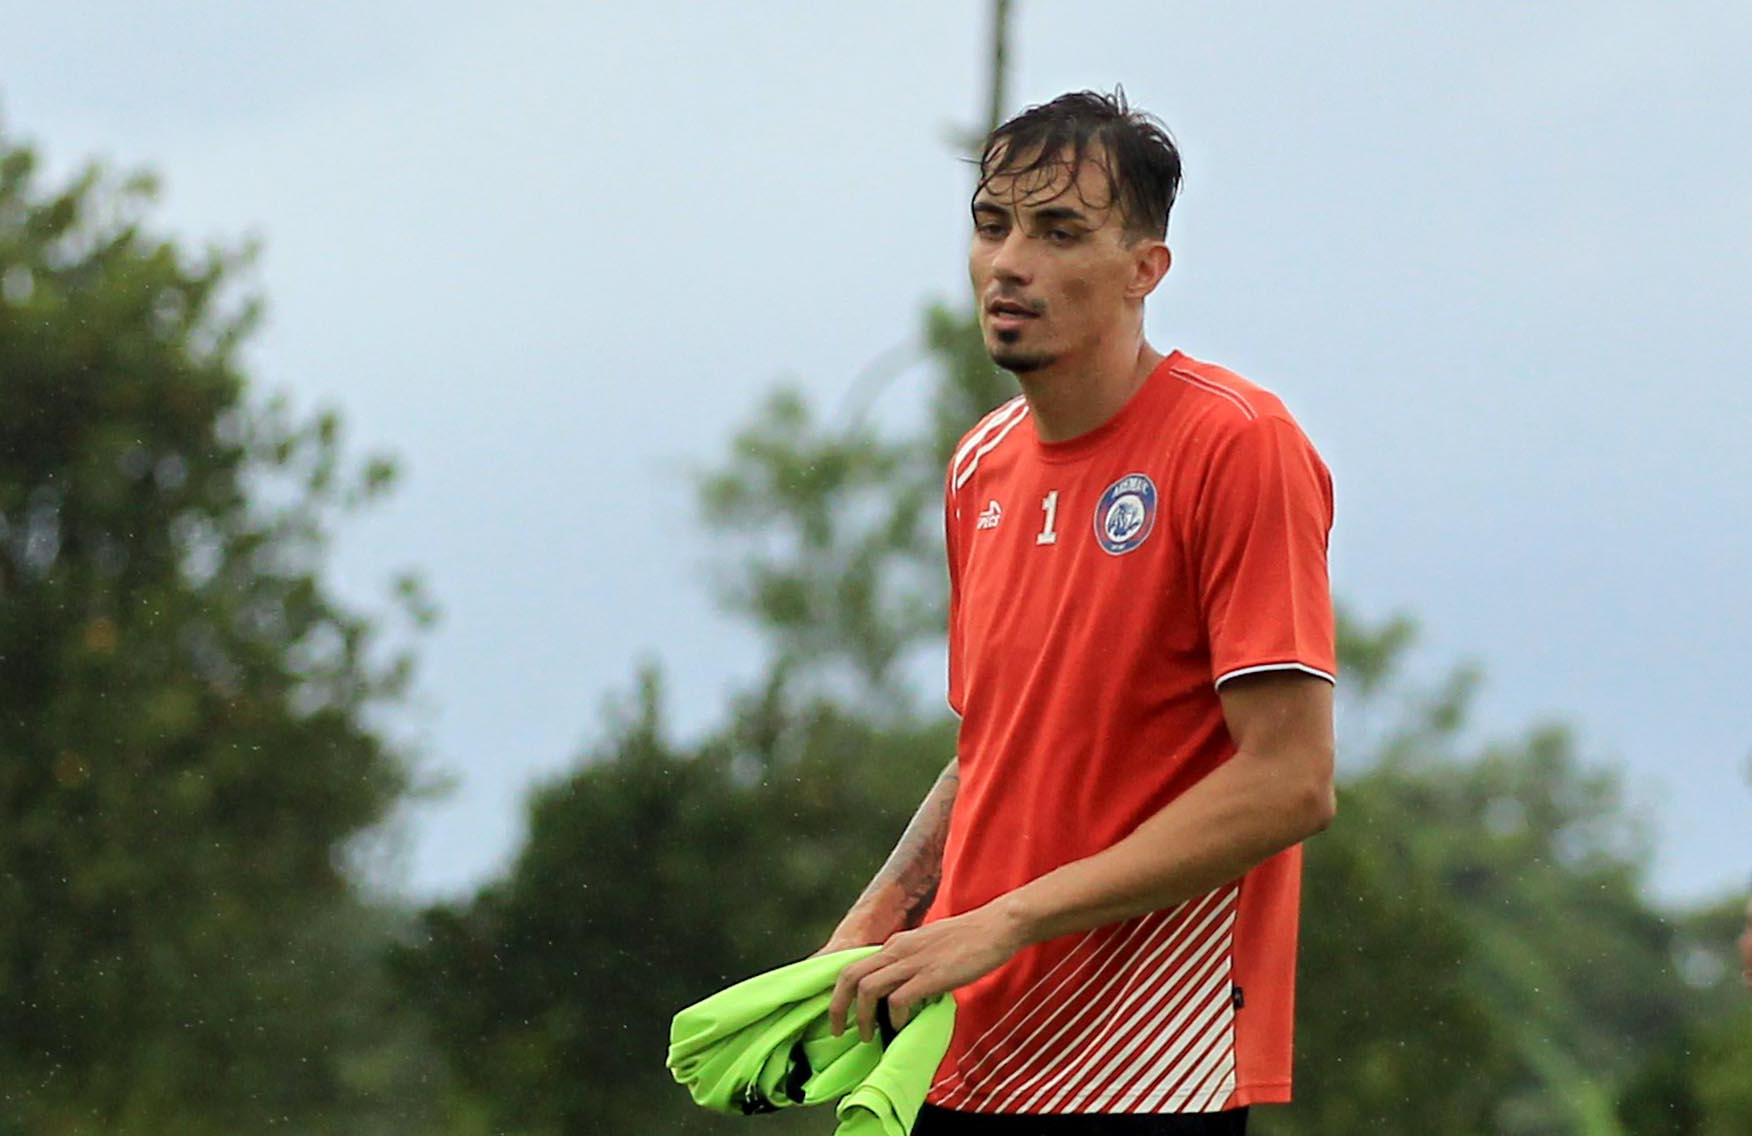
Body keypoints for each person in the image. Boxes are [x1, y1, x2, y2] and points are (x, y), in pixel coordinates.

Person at [820, 90, 1338, 1134]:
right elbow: (992, 746)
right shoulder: (979, 463)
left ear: (1146, 269)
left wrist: (1007, 918)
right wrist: (880, 913)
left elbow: (1289, 780)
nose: (1011, 262)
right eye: (992, 222)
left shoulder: (1238, 443)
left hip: (1148, 1074)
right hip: (961, 1049)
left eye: (1059, 232)